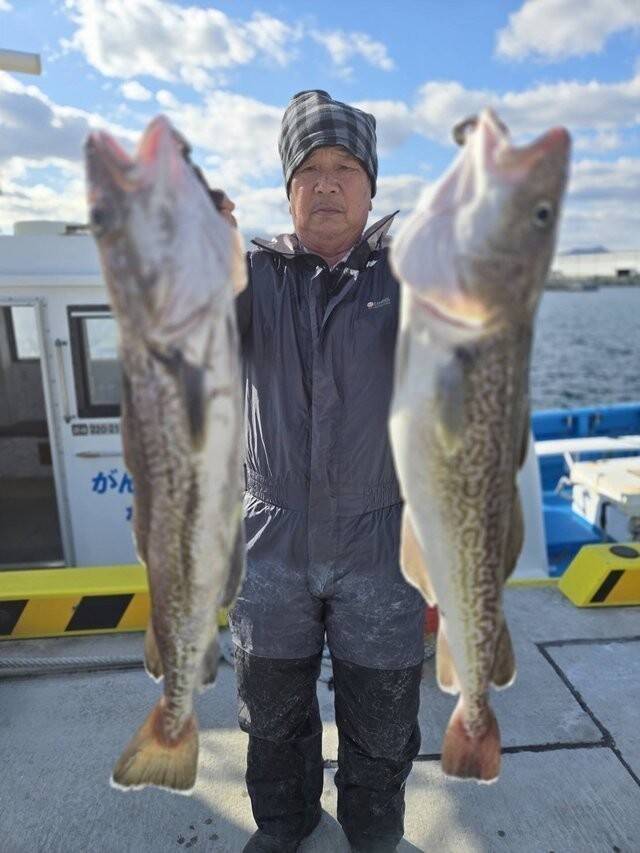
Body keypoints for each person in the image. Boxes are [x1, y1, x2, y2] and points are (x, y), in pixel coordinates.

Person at [222, 90, 426, 853]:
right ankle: (285, 822)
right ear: (289, 188)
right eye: (309, 169)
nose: (328, 183)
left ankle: (374, 830)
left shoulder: (410, 276)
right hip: (272, 534)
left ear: (371, 186)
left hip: (384, 538)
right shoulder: (250, 274)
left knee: (382, 707)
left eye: (345, 167)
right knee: (270, 704)